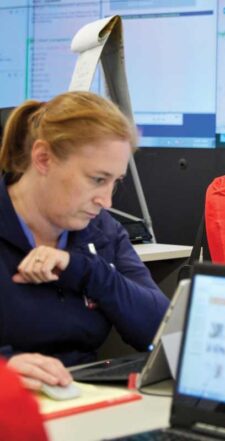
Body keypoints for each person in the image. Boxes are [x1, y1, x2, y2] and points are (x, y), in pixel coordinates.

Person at [0, 91, 169, 390]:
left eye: (115, 182)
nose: (106, 201)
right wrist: (5, 369)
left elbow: (161, 332)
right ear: (43, 159)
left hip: (82, 401)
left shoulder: (101, 231)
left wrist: (84, 270)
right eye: (97, 179)